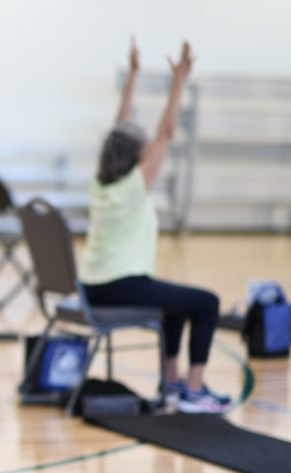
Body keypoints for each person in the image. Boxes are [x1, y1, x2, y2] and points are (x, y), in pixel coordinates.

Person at [80, 39, 229, 414]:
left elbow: (121, 127)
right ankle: (194, 391)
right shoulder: (132, 188)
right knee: (207, 303)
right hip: (123, 285)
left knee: (175, 303)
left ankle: (172, 384)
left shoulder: (102, 185)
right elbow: (165, 133)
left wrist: (132, 75)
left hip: (94, 289)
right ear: (136, 160)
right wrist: (179, 81)